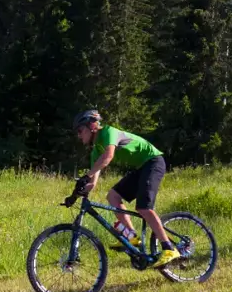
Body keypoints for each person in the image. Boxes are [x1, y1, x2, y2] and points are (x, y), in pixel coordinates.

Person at [73, 109, 180, 268]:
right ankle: (132, 236)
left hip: (153, 162)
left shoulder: (109, 132)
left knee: (143, 208)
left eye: (80, 130)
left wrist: (87, 175)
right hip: (141, 168)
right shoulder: (96, 150)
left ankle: (169, 248)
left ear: (92, 126)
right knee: (112, 196)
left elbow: (108, 156)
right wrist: (75, 194)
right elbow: (92, 182)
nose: (78, 135)